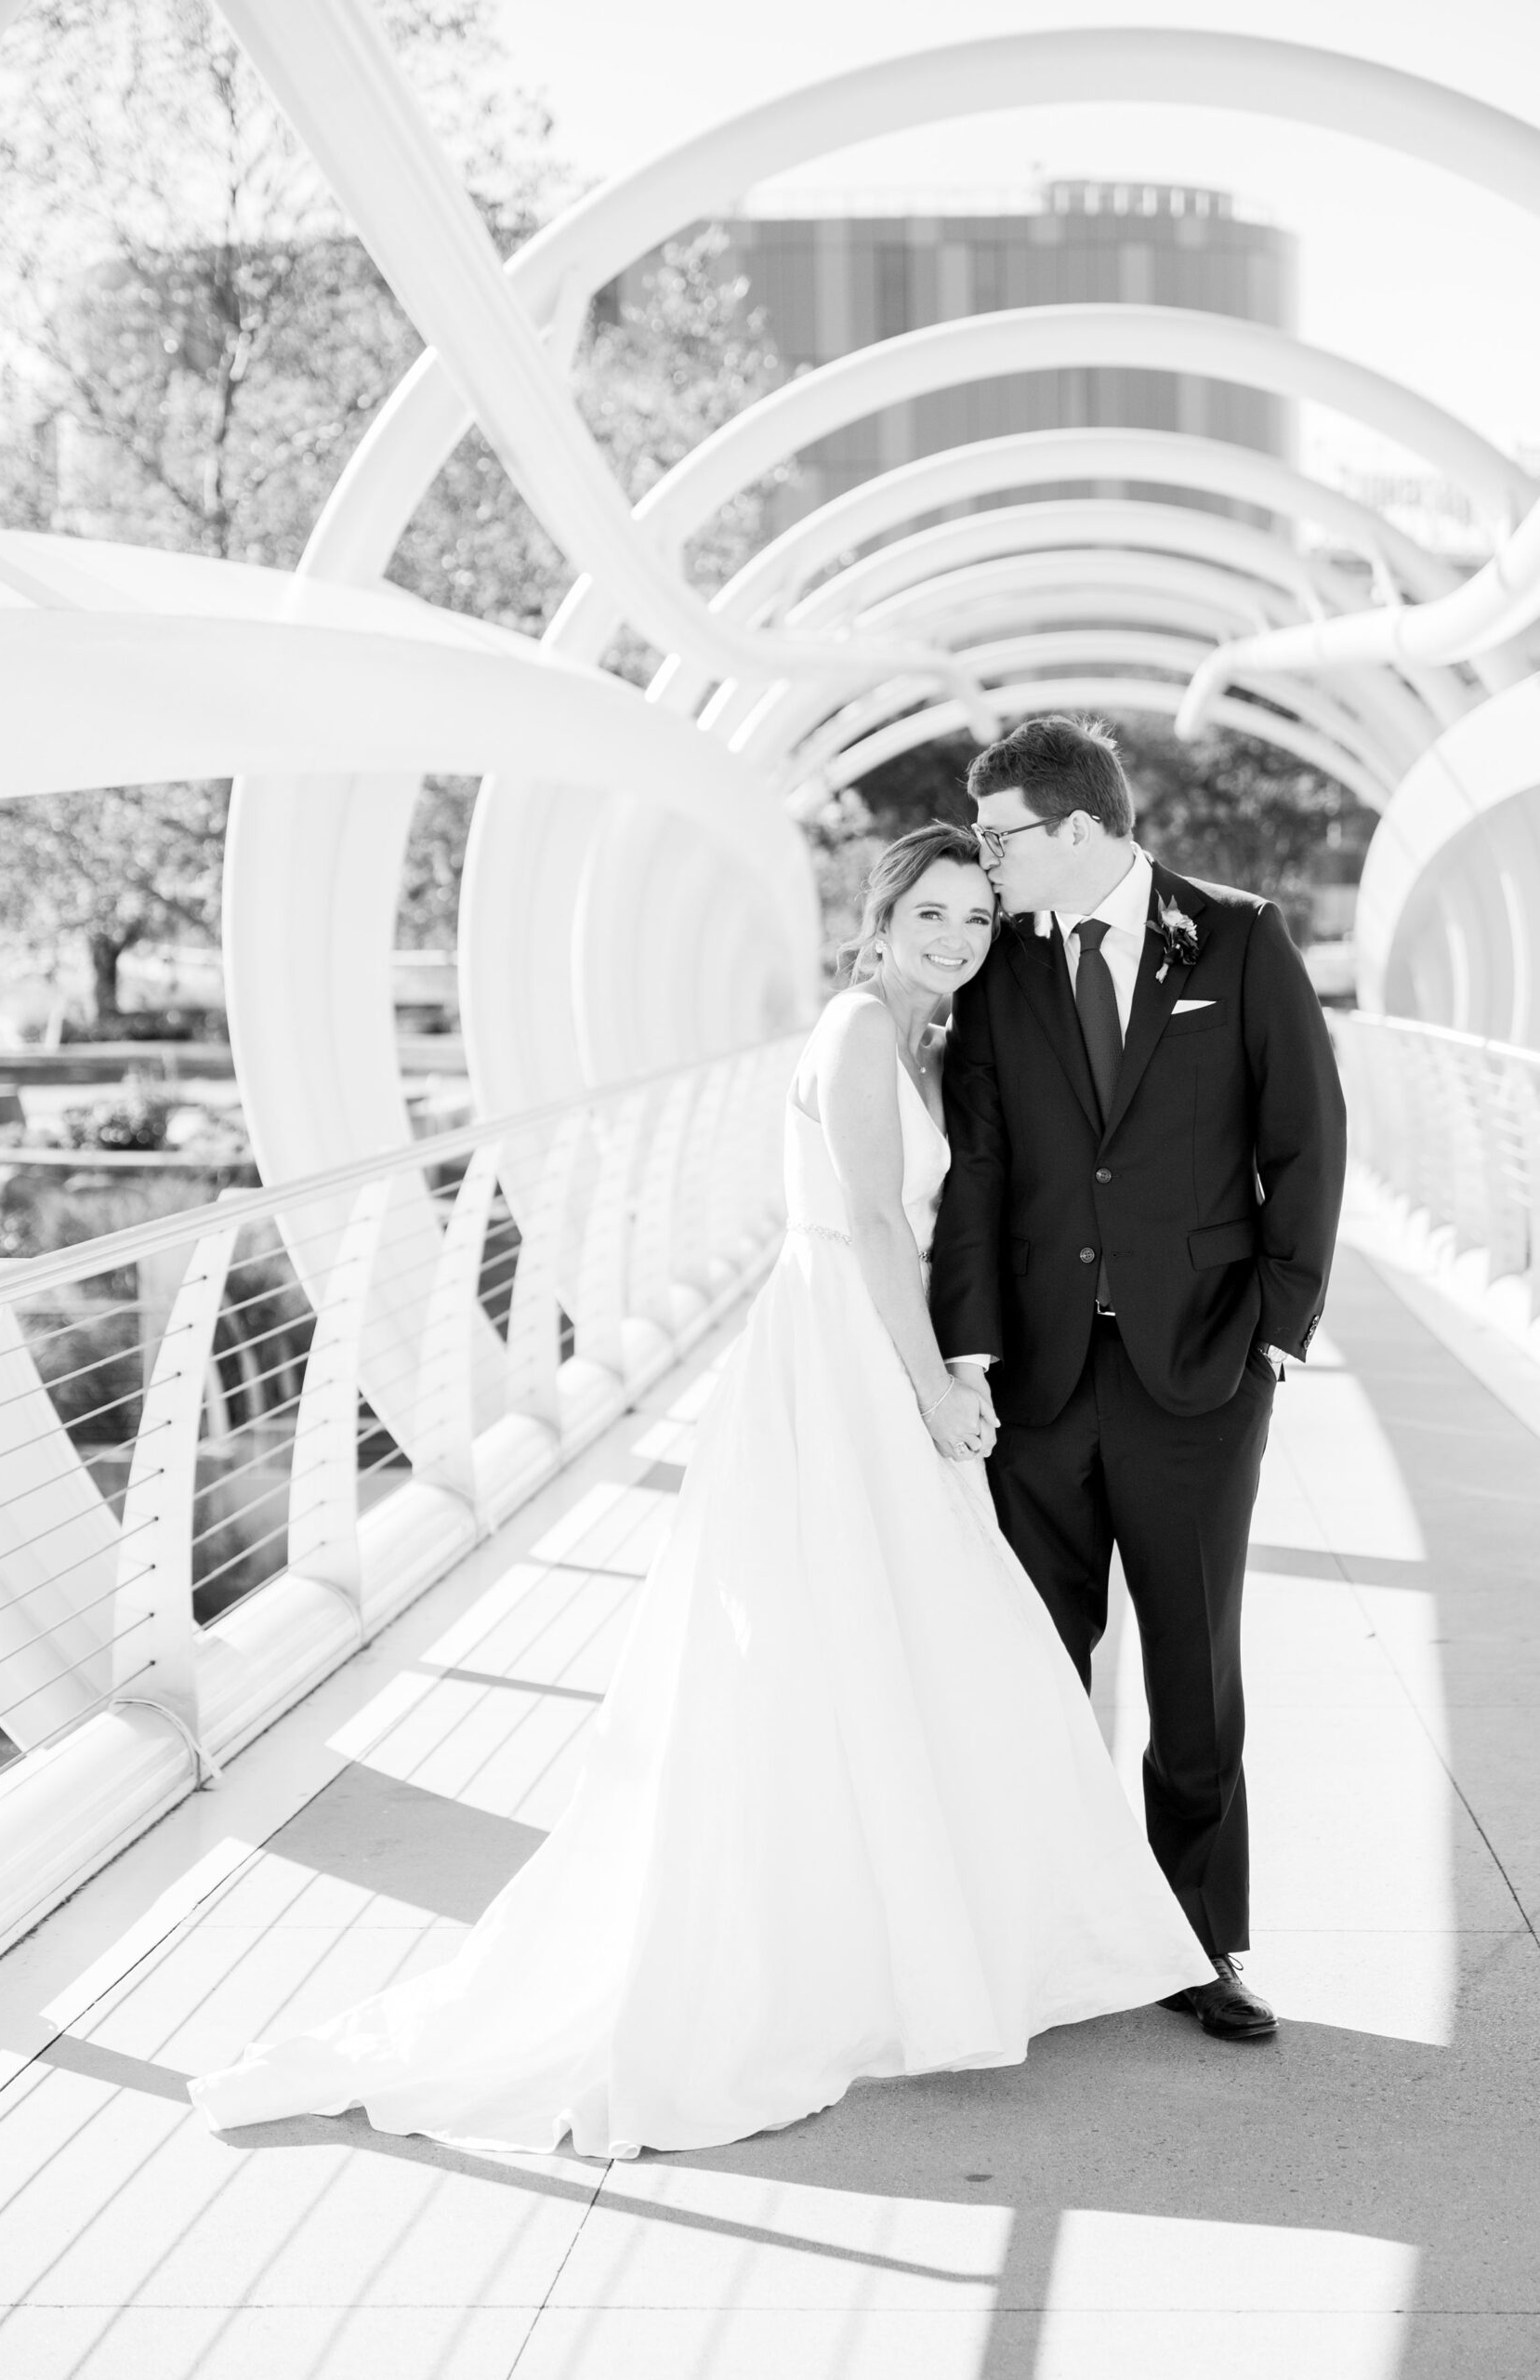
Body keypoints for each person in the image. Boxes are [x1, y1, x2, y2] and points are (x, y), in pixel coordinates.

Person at [189, 823, 1211, 2161]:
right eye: (935, 914)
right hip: (844, 1352)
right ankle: (846, 1950)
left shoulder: (921, 1038)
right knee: (862, 1630)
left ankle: (939, 1934)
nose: (958, 939)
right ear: (884, 914)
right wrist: (939, 1389)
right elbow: (875, 1226)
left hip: (853, 1342)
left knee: (912, 1631)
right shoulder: (858, 1035)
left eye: (977, 919)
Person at [930, 717, 1348, 2043]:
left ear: (1075, 832)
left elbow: (1309, 1134)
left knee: (1192, 1668)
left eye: (999, 840)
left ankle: (1197, 1945)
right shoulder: (1000, 972)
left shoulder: (1237, 936)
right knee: (1039, 1665)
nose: (985, 867)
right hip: (1041, 1379)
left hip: (1203, 1369)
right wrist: (971, 1342)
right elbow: (983, 1169)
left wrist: (1278, 1326)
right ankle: (1051, 1929)